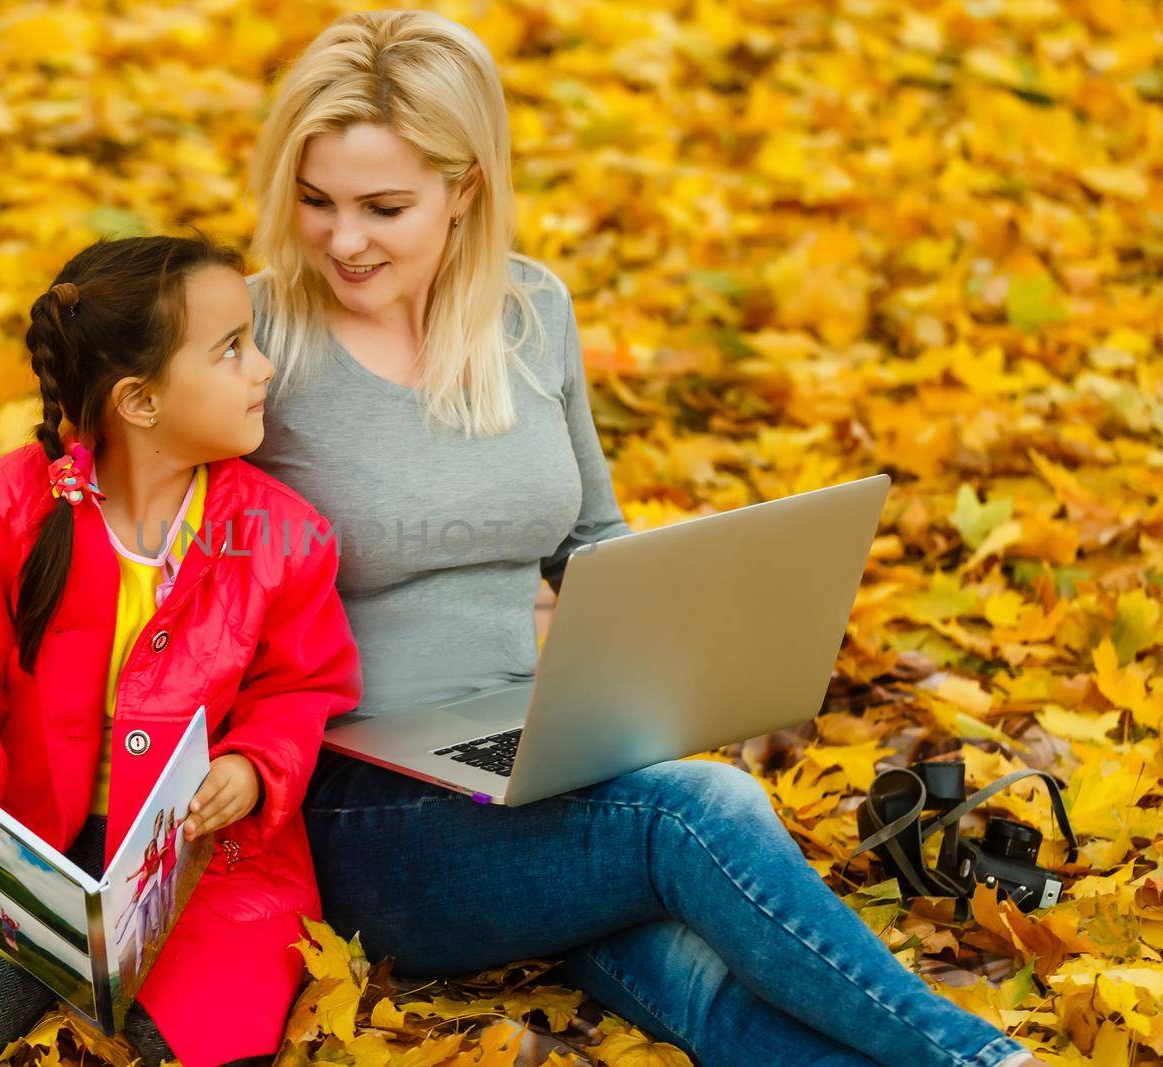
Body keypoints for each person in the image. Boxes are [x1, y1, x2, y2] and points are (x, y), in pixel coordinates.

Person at [239, 10, 1045, 1067]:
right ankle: (978, 1059)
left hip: (543, 763)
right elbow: (180, 589)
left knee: (698, 985)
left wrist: (683, 652)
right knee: (698, 809)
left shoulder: (529, 312)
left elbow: (595, 543)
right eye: (316, 201)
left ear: (466, 187)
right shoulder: (252, 344)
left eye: (384, 207)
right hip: (368, 814)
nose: (343, 239)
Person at [0, 234, 363, 1066]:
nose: (264, 369)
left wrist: (256, 764)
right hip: (22, 834)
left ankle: (28, 955)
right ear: (141, 402)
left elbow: (301, 685)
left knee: (190, 1040)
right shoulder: (9, 506)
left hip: (191, 861)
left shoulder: (282, 536)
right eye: (232, 350)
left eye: (252, 341)